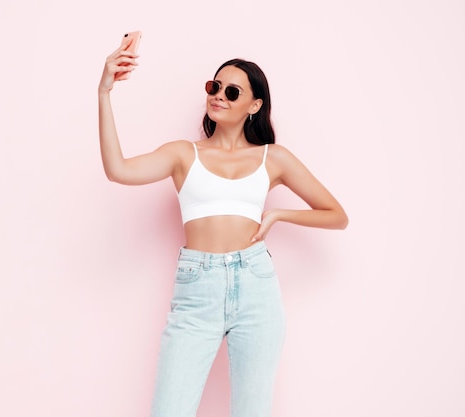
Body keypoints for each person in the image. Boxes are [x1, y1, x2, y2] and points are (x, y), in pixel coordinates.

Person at [98, 38, 348, 417]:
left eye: (232, 92)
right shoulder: (184, 153)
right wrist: (104, 92)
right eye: (214, 87)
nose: (218, 97)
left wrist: (279, 216)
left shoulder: (272, 158)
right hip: (197, 288)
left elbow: (336, 214)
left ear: (255, 105)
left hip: (256, 285)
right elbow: (118, 170)